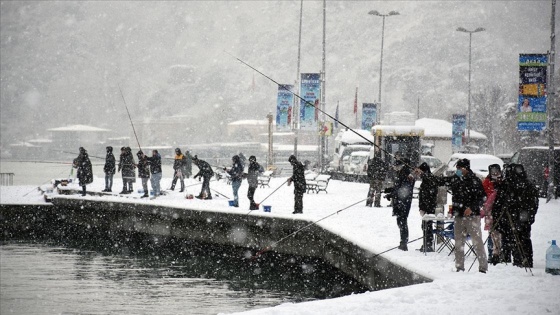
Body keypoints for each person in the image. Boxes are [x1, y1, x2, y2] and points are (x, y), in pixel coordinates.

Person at [440, 158, 488, 273]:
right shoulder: (455, 179)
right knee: (458, 243)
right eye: (457, 168)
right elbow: (440, 181)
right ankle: (459, 267)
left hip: (473, 217)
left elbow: (482, 198)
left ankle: (483, 267)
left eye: (460, 168)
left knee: (477, 242)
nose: (458, 171)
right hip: (458, 216)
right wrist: (425, 175)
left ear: (466, 168)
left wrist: (471, 208)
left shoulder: (475, 180)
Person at [507, 164, 539, 268]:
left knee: (520, 238)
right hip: (521, 214)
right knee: (521, 238)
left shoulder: (521, 184)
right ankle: (523, 259)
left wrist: (529, 213)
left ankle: (522, 260)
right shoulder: (521, 183)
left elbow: (533, 201)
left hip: (521, 214)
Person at [385, 158, 415, 251]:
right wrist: (390, 190)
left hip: (403, 202)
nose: (395, 168)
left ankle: (404, 242)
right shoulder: (402, 174)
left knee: (402, 221)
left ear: (401, 166)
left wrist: (392, 194)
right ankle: (403, 241)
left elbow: (403, 190)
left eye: (396, 166)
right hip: (401, 202)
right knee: (401, 221)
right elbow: (399, 187)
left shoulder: (405, 175)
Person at [415, 162, 439, 252]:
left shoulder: (428, 179)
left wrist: (423, 208)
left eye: (420, 171)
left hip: (428, 207)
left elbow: (426, 196)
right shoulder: (427, 179)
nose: (419, 173)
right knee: (425, 225)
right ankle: (426, 243)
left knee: (427, 225)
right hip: (427, 206)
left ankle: (428, 244)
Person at [482, 164, 503, 265]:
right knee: (492, 233)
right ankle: (491, 254)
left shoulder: (503, 181)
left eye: (497, 170)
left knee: (501, 234)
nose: (495, 173)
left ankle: (499, 254)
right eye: (493, 171)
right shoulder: (487, 181)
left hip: (501, 210)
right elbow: (484, 195)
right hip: (490, 211)